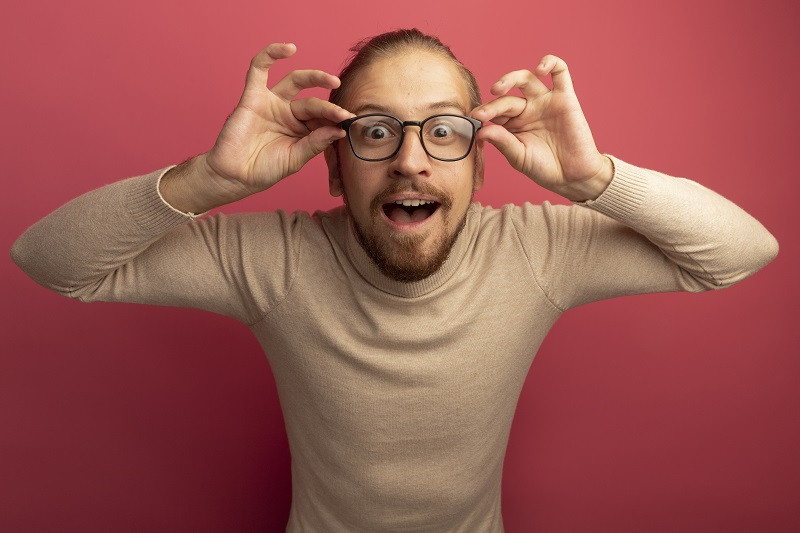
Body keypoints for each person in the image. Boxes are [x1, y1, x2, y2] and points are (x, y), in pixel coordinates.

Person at [11, 28, 778, 532]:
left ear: (481, 163)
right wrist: (211, 180)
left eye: (444, 131)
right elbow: (51, 262)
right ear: (335, 167)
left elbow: (741, 250)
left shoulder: (535, 249)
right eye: (375, 131)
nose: (411, 160)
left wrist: (594, 177)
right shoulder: (274, 260)